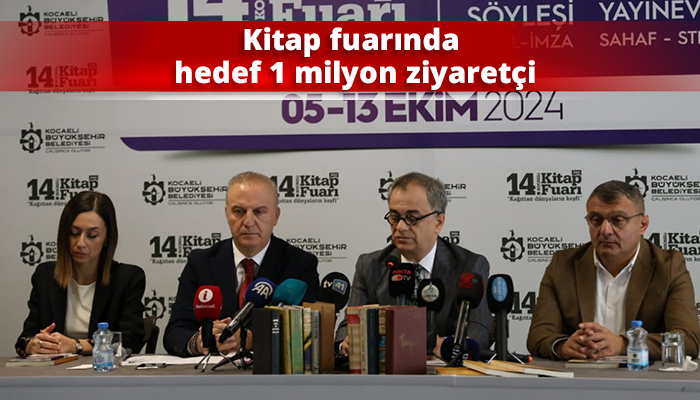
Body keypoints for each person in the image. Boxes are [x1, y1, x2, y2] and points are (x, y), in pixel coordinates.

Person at [527, 180, 700, 360]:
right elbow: (538, 335)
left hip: (640, 375)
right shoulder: (563, 265)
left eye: (617, 220)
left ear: (643, 224)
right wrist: (563, 346)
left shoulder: (669, 266)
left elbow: (688, 340)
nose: (605, 230)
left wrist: (623, 344)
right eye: (596, 220)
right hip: (580, 374)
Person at [164, 171, 319, 357]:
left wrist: (248, 340)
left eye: (259, 212)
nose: (248, 222)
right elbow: (175, 332)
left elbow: (307, 333)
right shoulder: (201, 262)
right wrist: (199, 342)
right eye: (239, 211)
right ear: (226, 214)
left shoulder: (300, 264)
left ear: (276, 216)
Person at [336, 172, 491, 355]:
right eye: (395, 217)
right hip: (386, 370)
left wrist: (447, 346)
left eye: (412, 218)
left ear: (438, 222)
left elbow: (480, 331)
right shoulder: (370, 265)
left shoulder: (469, 266)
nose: (400, 227)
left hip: (443, 369)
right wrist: (346, 343)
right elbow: (348, 327)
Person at [15, 191, 146, 357]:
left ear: (107, 238)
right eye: (74, 233)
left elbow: (129, 340)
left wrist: (76, 345)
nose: (81, 243)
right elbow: (25, 337)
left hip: (104, 370)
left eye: (92, 235)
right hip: (54, 370)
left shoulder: (127, 278)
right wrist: (34, 345)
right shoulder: (45, 275)